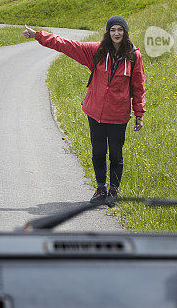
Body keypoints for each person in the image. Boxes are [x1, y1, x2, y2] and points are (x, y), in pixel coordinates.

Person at [23, 16, 146, 207]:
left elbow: (138, 87)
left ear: (125, 32)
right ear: (108, 32)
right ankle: (100, 189)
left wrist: (139, 114)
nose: (116, 33)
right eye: (113, 30)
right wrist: (38, 35)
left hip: (118, 115)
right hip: (95, 112)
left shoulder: (133, 56)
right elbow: (66, 45)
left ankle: (113, 191)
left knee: (115, 155)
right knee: (98, 152)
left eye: (119, 30)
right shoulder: (97, 51)